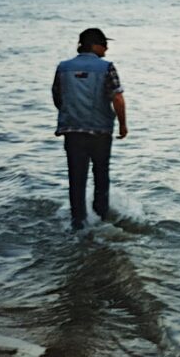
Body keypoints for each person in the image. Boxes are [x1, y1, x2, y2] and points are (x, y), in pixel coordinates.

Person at [52, 28, 128, 230]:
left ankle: (78, 222)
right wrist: (122, 124)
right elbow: (118, 98)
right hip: (100, 132)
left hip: (72, 131)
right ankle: (101, 219)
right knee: (101, 174)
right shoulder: (106, 67)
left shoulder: (63, 67)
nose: (107, 47)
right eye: (104, 43)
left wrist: (72, 115)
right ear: (94, 45)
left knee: (76, 177)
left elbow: (58, 97)